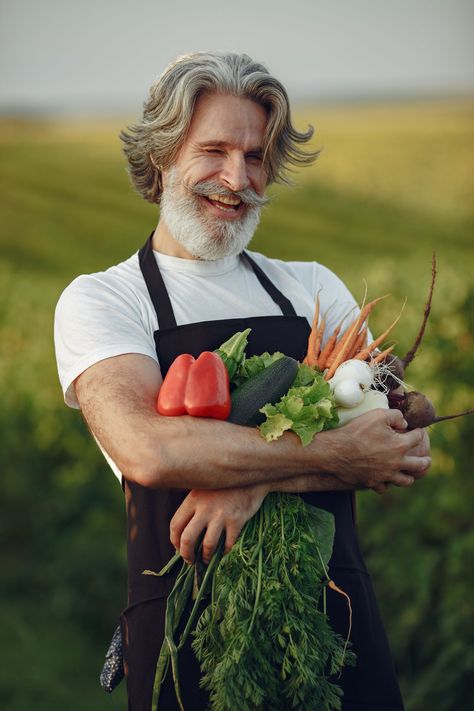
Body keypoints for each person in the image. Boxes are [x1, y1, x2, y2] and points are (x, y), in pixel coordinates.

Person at [54, 52, 431, 711]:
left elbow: (407, 434)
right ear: (162, 156)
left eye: (256, 155)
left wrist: (252, 481)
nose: (238, 177)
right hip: (192, 639)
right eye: (215, 150)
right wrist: (333, 454)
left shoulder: (310, 285)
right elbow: (151, 450)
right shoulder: (106, 301)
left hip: (331, 626)